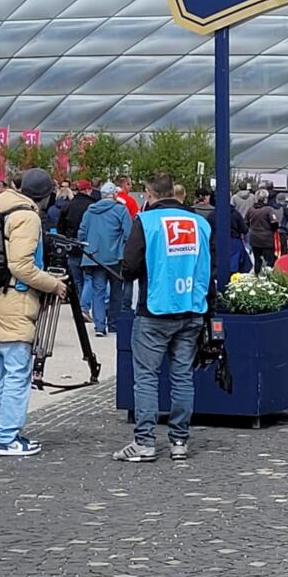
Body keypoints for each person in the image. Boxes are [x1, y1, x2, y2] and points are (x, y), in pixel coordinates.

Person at [115, 171, 213, 463]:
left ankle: (144, 443)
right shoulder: (200, 224)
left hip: (155, 308)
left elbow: (130, 267)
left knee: (146, 377)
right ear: (174, 190)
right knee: (182, 376)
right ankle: (179, 441)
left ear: (149, 193)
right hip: (192, 307)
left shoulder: (146, 222)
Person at [0, 168, 67, 457]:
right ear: (46, 196)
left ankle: (2, 429)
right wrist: (54, 284)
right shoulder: (27, 216)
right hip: (16, 300)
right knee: (18, 372)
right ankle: (7, 438)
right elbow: (22, 265)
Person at [77, 180, 132, 336]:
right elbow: (128, 233)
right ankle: (113, 324)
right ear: (115, 195)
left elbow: (81, 233)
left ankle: (99, 326)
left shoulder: (90, 211)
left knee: (98, 291)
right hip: (115, 257)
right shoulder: (121, 210)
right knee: (116, 292)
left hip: (94, 257)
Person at [247, 190, 280, 273]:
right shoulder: (268, 210)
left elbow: (246, 222)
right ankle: (268, 280)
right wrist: (273, 230)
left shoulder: (250, 210)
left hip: (254, 239)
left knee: (257, 260)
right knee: (269, 262)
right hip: (267, 240)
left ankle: (257, 277)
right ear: (265, 198)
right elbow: (274, 223)